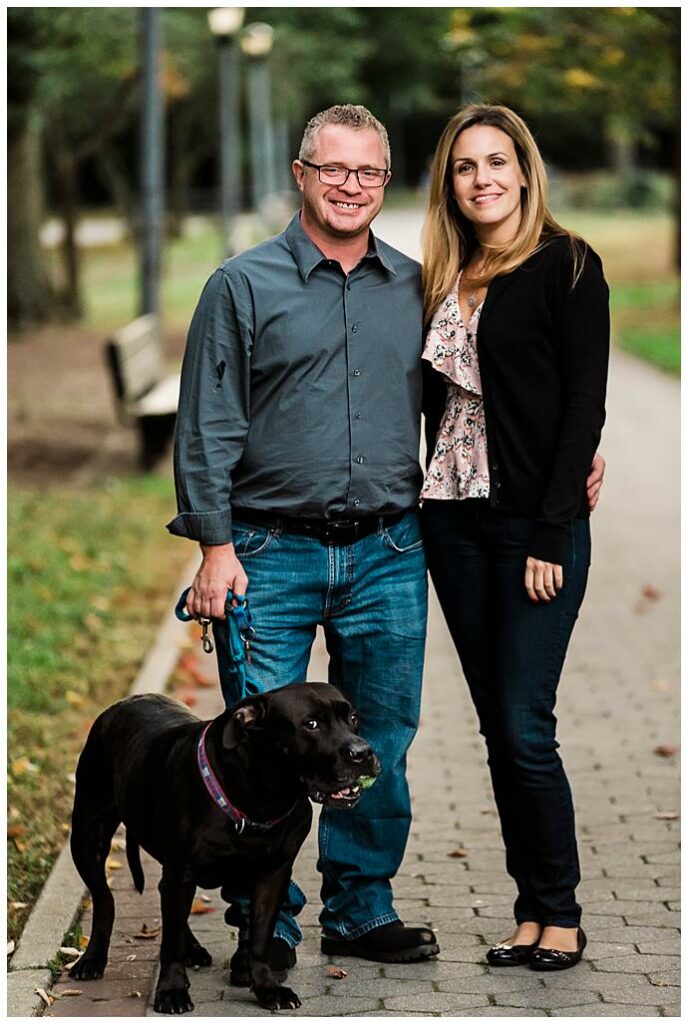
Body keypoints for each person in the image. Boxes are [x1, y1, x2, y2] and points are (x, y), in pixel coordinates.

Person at [167, 105, 439, 969]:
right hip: (266, 555)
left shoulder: (417, 285)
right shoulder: (242, 285)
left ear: (384, 181)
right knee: (263, 754)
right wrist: (215, 548)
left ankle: (360, 911)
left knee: (378, 746)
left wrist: (571, 459)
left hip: (388, 553)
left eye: (367, 173)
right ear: (301, 174)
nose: (350, 187)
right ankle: (267, 924)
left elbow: (463, 407)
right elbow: (207, 425)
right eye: (333, 170)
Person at [420, 104, 610, 970]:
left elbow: (583, 407)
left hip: (534, 531)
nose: (483, 177)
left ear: (525, 171)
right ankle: (529, 910)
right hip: (453, 524)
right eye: (466, 167)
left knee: (527, 725)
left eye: (498, 161)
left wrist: (553, 527)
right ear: (449, 184)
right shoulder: (443, 275)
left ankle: (561, 912)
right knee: (498, 726)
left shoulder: (568, 266)